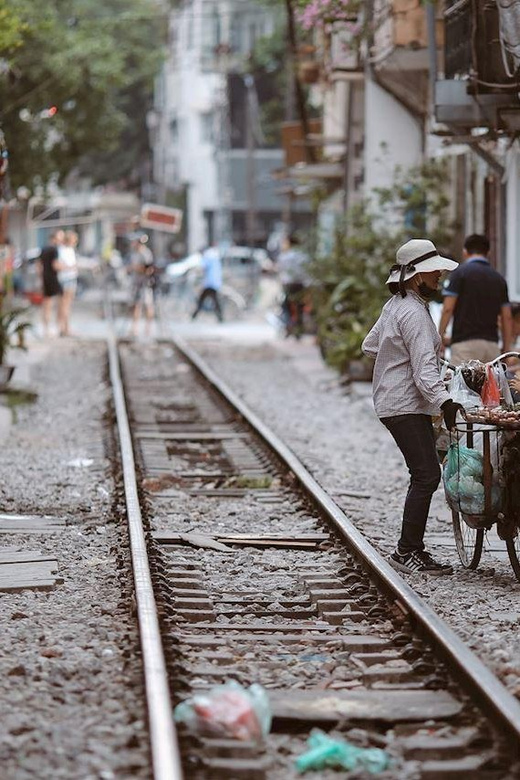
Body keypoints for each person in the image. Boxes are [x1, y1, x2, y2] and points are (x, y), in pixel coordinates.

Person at [362, 238, 463, 575]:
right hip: (405, 403)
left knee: (422, 473)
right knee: (426, 475)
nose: (439, 278)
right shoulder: (414, 313)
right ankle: (407, 551)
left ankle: (410, 549)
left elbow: (370, 345)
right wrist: (444, 401)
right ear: (417, 275)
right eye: (434, 272)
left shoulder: (396, 305)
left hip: (395, 400)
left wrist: (401, 363)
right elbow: (422, 370)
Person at [438, 234, 513, 365]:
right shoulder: (499, 279)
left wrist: (440, 337)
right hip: (491, 346)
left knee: (462, 385)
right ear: (488, 253)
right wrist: (506, 349)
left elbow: (448, 308)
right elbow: (507, 317)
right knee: (490, 385)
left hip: (464, 346)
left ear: (465, 252)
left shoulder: (459, 274)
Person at [277, 234, 309, 338]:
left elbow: (280, 270)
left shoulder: (285, 256)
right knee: (299, 306)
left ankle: (289, 325)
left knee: (286, 305)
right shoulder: (303, 256)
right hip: (300, 284)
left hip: (289, 284)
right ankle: (298, 329)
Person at [128, 234, 156, 338]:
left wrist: (137, 268)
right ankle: (134, 328)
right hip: (136, 283)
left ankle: (148, 328)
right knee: (136, 305)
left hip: (145, 284)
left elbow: (149, 269)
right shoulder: (134, 254)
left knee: (148, 304)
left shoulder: (146, 254)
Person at [39, 230, 64, 337]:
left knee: (46, 305)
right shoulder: (54, 250)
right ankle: (59, 326)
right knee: (60, 302)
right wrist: (66, 267)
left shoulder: (43, 249)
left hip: (45, 278)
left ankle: (46, 329)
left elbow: (39, 266)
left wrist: (42, 277)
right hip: (53, 279)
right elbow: (55, 265)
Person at [191, 244, 223, 322]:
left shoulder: (208, 257)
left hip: (210, 282)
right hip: (216, 282)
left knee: (203, 299)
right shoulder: (215, 257)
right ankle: (220, 317)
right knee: (214, 299)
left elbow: (201, 267)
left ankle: (194, 316)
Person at [57, 230, 79, 336]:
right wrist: (71, 267)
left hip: (71, 278)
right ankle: (64, 328)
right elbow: (59, 266)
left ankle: (65, 327)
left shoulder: (70, 250)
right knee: (64, 305)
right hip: (65, 279)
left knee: (67, 305)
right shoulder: (61, 250)